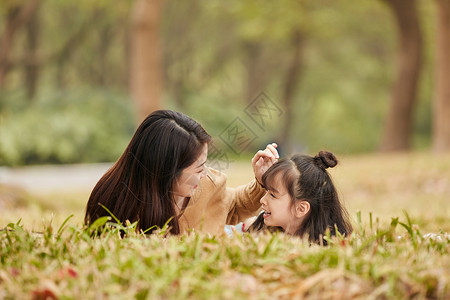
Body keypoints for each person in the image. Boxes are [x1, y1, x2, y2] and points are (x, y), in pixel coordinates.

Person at [84, 110, 279, 235]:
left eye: (205, 164)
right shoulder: (114, 201)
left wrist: (261, 181)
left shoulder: (209, 184)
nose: (205, 174)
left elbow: (234, 205)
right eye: (198, 168)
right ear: (166, 171)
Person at [245, 151, 353, 244]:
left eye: (273, 195)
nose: (262, 200)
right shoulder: (260, 230)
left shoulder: (326, 247)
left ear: (301, 208)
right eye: (266, 191)